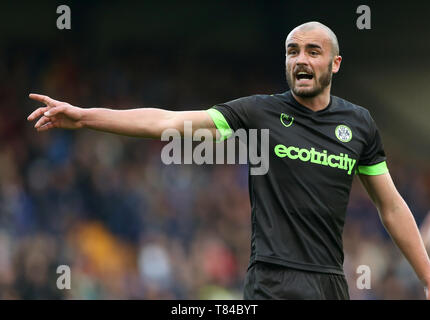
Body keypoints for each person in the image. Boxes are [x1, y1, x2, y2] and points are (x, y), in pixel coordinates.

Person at [27, 21, 430, 300]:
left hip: (330, 282)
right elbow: (167, 122)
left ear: (335, 63)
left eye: (313, 51)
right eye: (292, 52)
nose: (301, 60)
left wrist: (427, 277)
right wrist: (85, 116)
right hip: (272, 280)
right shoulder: (258, 113)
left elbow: (391, 206)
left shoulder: (358, 123)